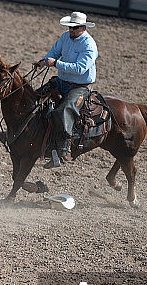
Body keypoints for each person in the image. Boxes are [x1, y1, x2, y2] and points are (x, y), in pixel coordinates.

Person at [33, 11, 98, 168]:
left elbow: (80, 69)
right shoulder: (65, 37)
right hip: (61, 81)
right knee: (34, 97)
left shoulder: (89, 45)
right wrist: (42, 62)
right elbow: (54, 52)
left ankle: (64, 151)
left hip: (80, 86)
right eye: (70, 27)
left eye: (74, 28)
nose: (71, 30)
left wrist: (56, 63)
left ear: (83, 28)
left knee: (64, 110)